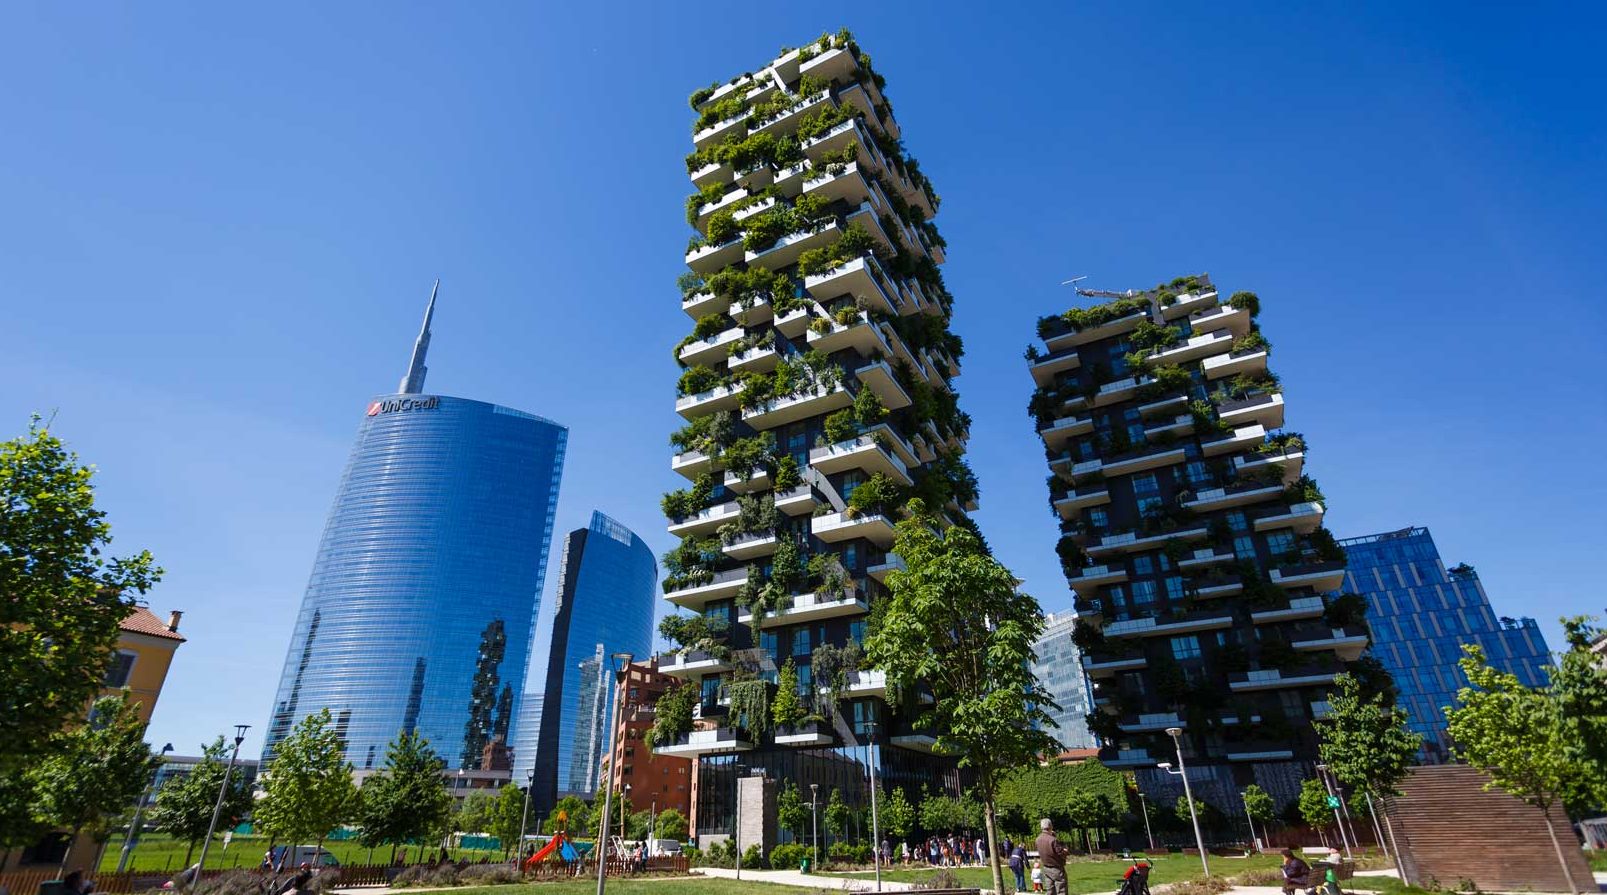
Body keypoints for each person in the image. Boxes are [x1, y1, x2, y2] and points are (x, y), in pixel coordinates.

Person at [1034, 818, 1070, 895]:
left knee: (1050, 891)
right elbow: (1060, 852)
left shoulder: (1038, 839)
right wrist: (1066, 851)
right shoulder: (1053, 840)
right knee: (1061, 890)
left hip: (1046, 867)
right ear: (1050, 826)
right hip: (1056, 868)